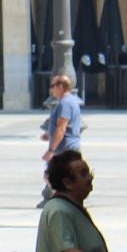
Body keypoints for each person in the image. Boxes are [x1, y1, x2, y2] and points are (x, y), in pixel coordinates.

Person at [38, 74, 84, 207]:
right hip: (68, 146)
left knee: (51, 177)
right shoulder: (69, 102)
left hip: (65, 147)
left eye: (53, 86)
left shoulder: (65, 103)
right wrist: (49, 134)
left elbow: (61, 128)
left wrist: (51, 150)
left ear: (61, 87)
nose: (51, 89)